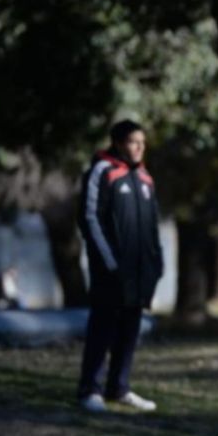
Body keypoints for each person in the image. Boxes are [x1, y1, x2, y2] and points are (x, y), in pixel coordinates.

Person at [76, 119, 164, 412]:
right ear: (117, 143)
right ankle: (90, 390)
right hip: (111, 271)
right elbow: (90, 218)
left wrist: (156, 262)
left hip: (139, 273)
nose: (139, 147)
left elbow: (152, 225)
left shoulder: (145, 178)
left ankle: (119, 387)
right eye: (132, 141)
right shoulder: (102, 172)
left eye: (142, 142)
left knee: (130, 329)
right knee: (103, 327)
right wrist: (110, 263)